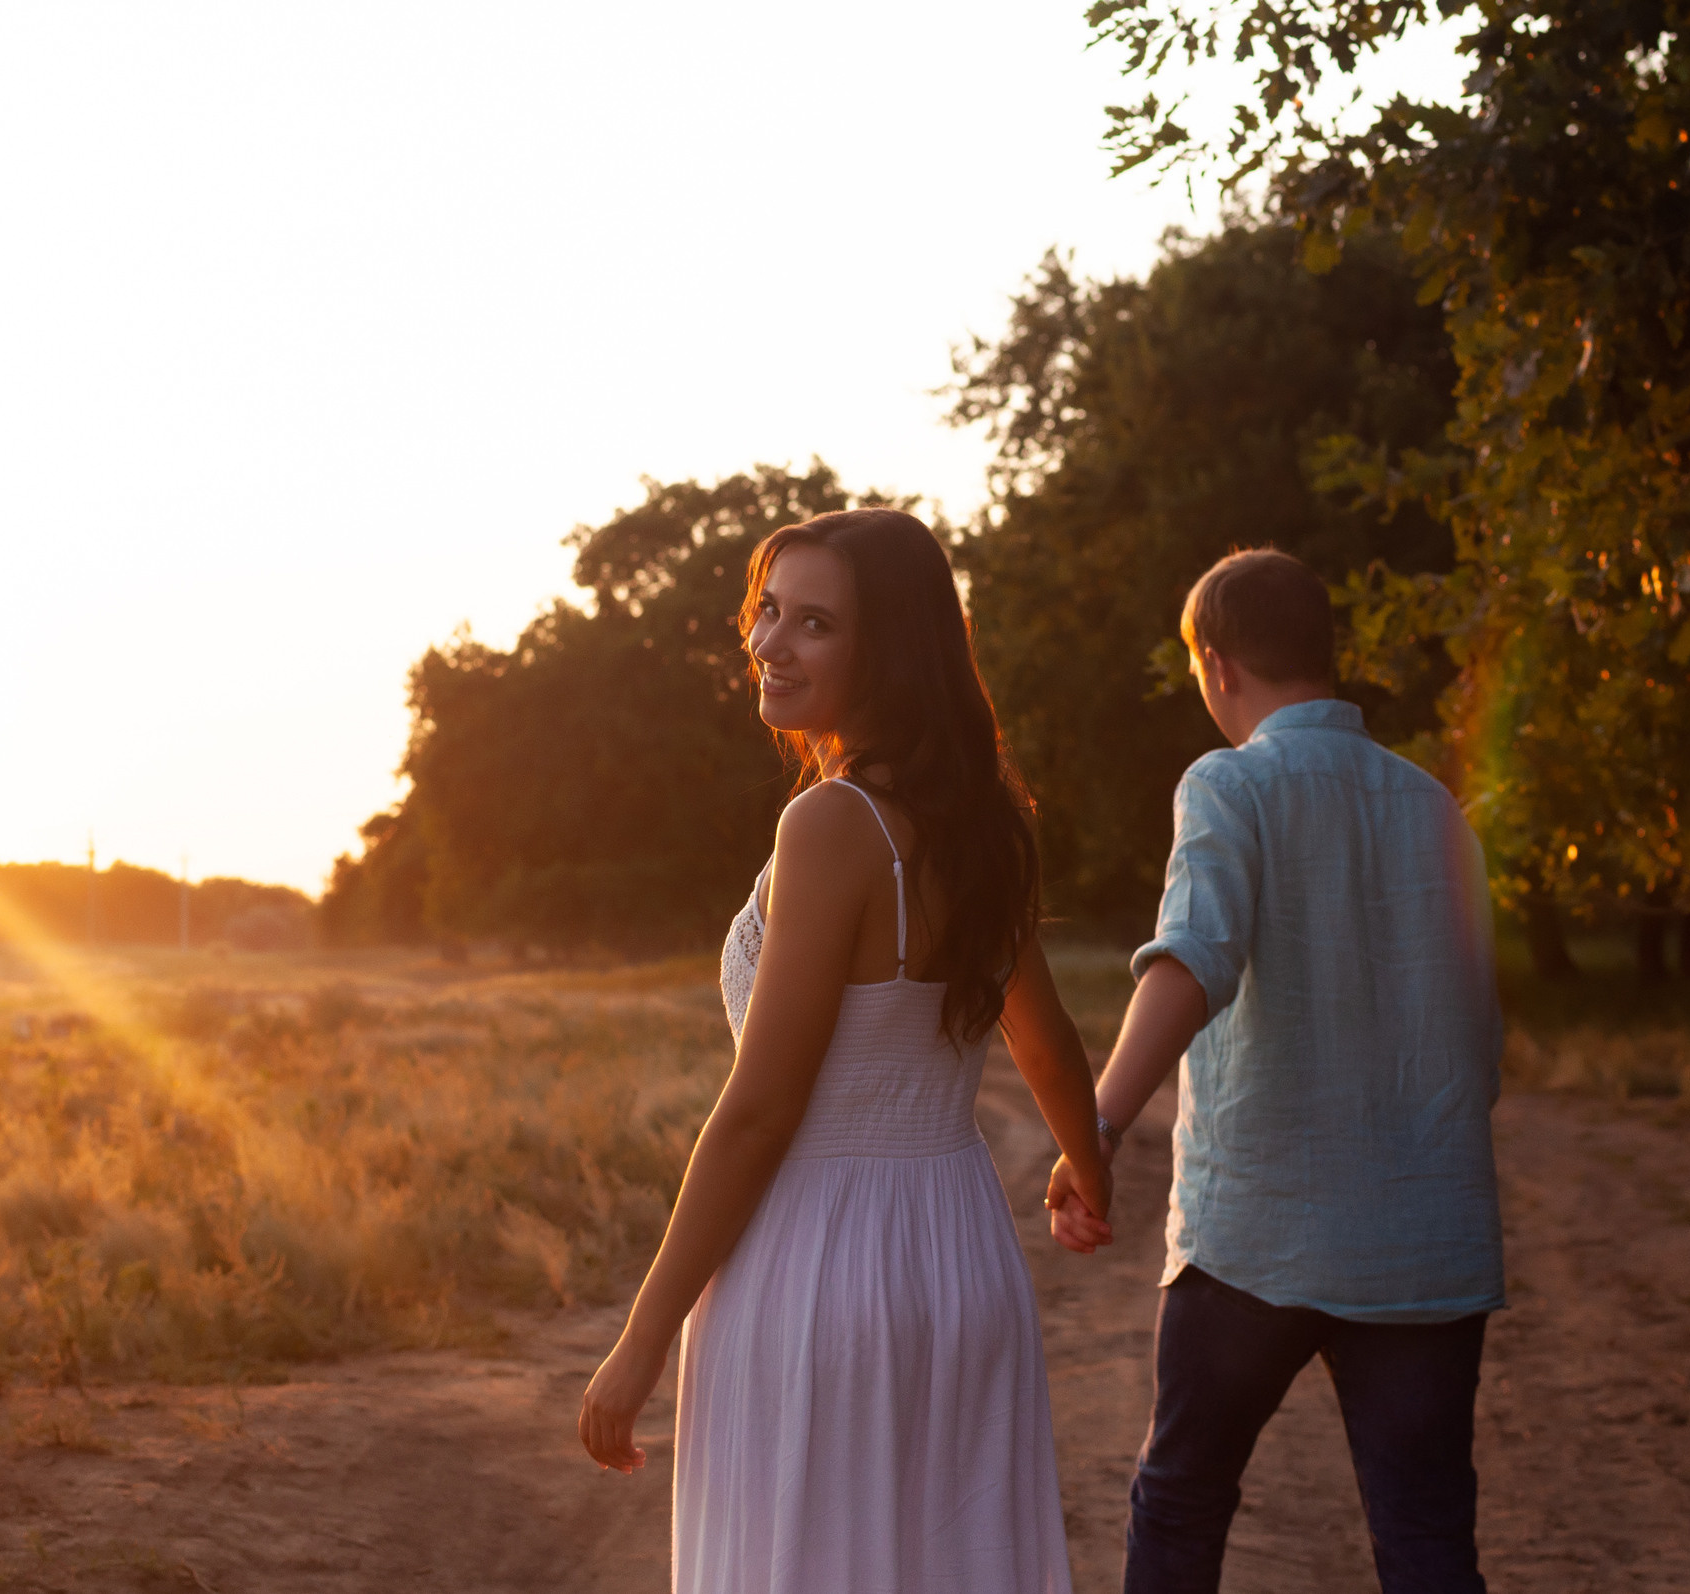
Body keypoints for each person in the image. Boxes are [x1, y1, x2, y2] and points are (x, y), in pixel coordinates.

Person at [577, 507, 1112, 1594]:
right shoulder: (986, 817)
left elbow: (760, 1112)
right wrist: (1086, 1167)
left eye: (814, 623)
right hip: (960, 1258)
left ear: (891, 649)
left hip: (820, 1269)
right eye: (768, 611)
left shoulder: (830, 826)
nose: (770, 644)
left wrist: (643, 1336)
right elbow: (1047, 1042)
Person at [1048, 547, 1505, 1594]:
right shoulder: (1436, 807)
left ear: (1216, 664)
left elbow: (1192, 959)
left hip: (1255, 1238)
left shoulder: (1230, 782)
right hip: (1423, 1250)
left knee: (1182, 1502)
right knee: (1428, 1538)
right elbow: (1479, 1042)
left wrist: (1096, 1129)